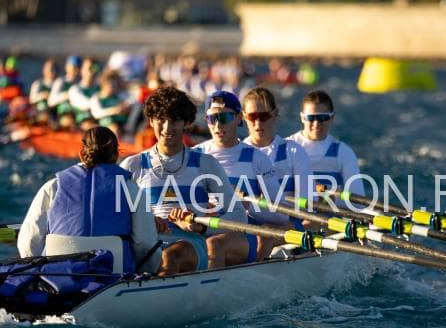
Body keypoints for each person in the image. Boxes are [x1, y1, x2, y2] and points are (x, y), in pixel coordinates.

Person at [120, 86, 251, 274]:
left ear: (186, 123)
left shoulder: (205, 164)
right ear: (151, 121)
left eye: (174, 120)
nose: (167, 128)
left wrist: (201, 227)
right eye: (161, 120)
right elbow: (114, 213)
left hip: (191, 244)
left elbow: (239, 216)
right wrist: (145, 221)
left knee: (172, 257)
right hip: (148, 243)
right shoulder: (132, 165)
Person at [17, 126, 162, 275]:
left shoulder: (53, 187)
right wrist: (145, 272)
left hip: (58, 275)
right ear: (116, 156)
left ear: (81, 154)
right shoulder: (132, 190)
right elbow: (145, 243)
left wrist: (37, 273)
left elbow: (28, 241)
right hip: (115, 275)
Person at [194, 90, 288, 261]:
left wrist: (246, 204)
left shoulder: (257, 158)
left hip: (242, 232)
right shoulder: (194, 155)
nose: (218, 125)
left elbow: (281, 214)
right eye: (212, 118)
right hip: (201, 228)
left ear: (238, 118)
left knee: (214, 245)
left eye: (224, 117)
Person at [288, 90, 365, 196]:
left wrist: (322, 192)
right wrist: (321, 190)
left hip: (330, 206)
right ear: (302, 118)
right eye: (311, 118)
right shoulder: (286, 148)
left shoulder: (343, 152)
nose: (316, 123)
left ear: (332, 118)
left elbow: (358, 197)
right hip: (293, 206)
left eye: (322, 118)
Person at [242, 86, 311, 198]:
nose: (258, 123)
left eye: (264, 116)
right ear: (244, 116)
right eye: (252, 116)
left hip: (288, 210)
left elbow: (307, 200)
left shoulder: (294, 152)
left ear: (275, 114)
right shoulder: (236, 154)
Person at [90, 69, 134, 137]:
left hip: (123, 123)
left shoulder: (118, 96)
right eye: (112, 85)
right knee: (114, 129)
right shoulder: (96, 98)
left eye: (115, 85)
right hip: (107, 124)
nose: (114, 87)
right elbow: (96, 113)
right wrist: (115, 110)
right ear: (104, 84)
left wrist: (126, 108)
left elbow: (131, 101)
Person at [66, 57, 100, 130]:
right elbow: (86, 105)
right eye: (89, 69)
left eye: (94, 69)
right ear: (82, 70)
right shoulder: (74, 89)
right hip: (81, 124)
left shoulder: (101, 88)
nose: (92, 72)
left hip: (99, 121)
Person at [48, 55, 82, 127]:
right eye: (74, 67)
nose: (76, 70)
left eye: (78, 67)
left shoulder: (81, 82)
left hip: (78, 112)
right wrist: (68, 95)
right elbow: (51, 101)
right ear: (67, 67)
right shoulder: (61, 82)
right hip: (64, 113)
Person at [29, 59, 57, 123]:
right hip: (41, 111)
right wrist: (43, 95)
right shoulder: (38, 84)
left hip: (55, 112)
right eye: (49, 69)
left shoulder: (59, 84)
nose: (51, 71)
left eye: (53, 69)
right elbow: (32, 99)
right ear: (44, 70)